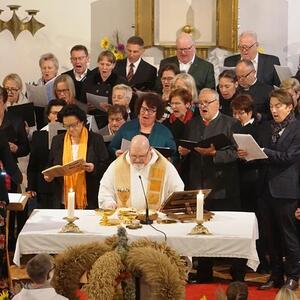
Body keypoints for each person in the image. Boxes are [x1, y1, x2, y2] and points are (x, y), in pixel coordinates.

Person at [179, 88, 241, 283]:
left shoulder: (231, 123)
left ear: (218, 104)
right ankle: (204, 272)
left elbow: (238, 153)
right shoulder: (192, 124)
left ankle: (236, 273)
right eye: (200, 103)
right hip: (198, 183)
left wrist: (215, 154)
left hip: (223, 184)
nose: (203, 106)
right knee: (200, 229)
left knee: (226, 230)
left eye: (207, 102)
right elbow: (187, 149)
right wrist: (183, 151)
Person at [255, 89, 300, 291]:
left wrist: (265, 152)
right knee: (270, 235)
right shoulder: (267, 127)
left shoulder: (297, 129)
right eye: (271, 106)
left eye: (278, 106)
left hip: (286, 190)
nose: (274, 110)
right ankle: (276, 274)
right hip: (266, 188)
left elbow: (289, 157)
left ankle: (293, 276)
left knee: (288, 235)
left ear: (290, 107)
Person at [45, 104, 109, 209]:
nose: (71, 129)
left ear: (82, 122)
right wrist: (49, 176)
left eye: (74, 125)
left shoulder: (96, 139)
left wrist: (93, 168)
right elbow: (50, 164)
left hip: (88, 196)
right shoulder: (57, 140)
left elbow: (106, 164)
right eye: (66, 126)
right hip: (63, 197)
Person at [99, 135, 184, 209]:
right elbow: (105, 190)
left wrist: (167, 206)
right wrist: (109, 203)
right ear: (129, 150)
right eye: (134, 156)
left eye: (142, 156)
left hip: (155, 221)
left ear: (150, 150)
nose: (137, 160)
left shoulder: (164, 166)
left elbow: (177, 190)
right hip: (125, 220)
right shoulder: (117, 166)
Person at [109, 92, 176, 158]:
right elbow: (112, 147)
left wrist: (169, 160)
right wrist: (116, 152)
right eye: (144, 109)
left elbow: (173, 154)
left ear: (157, 113)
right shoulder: (127, 127)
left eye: (151, 110)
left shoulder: (164, 132)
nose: (146, 113)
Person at [27, 99, 66, 209]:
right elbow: (33, 163)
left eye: (61, 113)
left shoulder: (72, 134)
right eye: (54, 113)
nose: (58, 116)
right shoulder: (39, 135)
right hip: (44, 187)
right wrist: (31, 187)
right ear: (48, 115)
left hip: (65, 185)